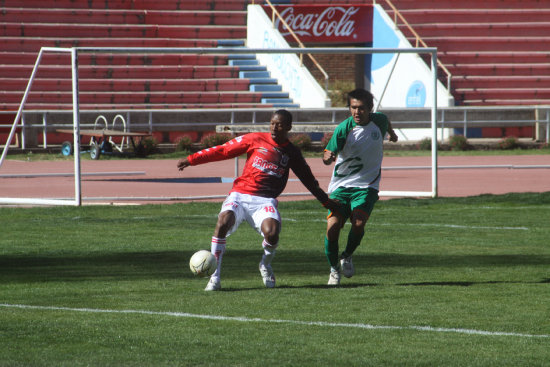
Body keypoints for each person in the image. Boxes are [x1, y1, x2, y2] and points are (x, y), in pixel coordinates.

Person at [177, 109, 339, 291]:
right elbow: (223, 150)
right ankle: (215, 278)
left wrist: (325, 201)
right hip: (239, 195)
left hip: (264, 201)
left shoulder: (291, 152)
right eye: (272, 123)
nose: (274, 127)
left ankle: (265, 264)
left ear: (288, 127)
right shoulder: (255, 139)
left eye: (279, 124)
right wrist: (192, 159)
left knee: (272, 232)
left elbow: (308, 179)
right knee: (223, 221)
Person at [322, 88, 398, 285]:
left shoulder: (378, 121)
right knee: (332, 227)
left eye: (361, 108)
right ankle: (334, 269)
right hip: (341, 186)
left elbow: (386, 121)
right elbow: (327, 155)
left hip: (367, 186)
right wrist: (328, 157)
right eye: (353, 108)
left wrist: (392, 134)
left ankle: (346, 255)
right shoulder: (344, 129)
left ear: (370, 109)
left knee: (358, 224)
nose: (357, 112)